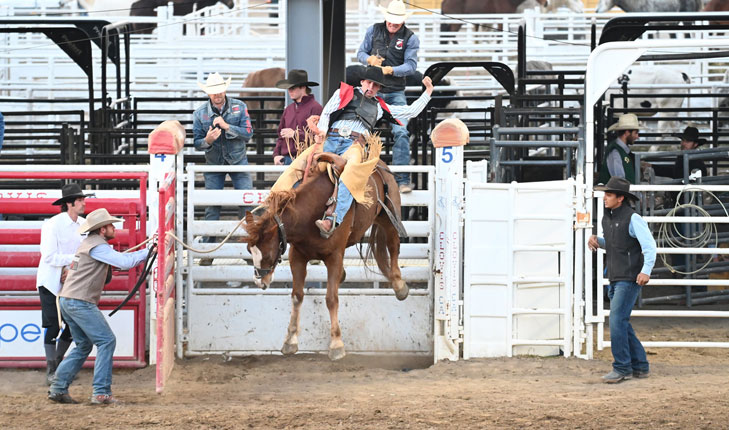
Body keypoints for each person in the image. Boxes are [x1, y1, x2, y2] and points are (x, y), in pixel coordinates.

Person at [313, 66, 433, 237]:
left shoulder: (380, 106)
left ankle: (333, 219)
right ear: (362, 81)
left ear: (379, 89)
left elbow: (410, 111)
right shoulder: (343, 92)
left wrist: (428, 92)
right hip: (330, 137)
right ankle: (282, 206)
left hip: (354, 145)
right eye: (369, 83)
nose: (371, 88)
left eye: (375, 86)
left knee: (352, 171)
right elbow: (326, 113)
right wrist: (322, 130)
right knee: (303, 165)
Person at [48, 208, 151, 404]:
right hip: (80, 301)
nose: (114, 228)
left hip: (69, 299)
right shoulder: (98, 247)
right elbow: (125, 262)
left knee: (84, 344)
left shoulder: (90, 244)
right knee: (106, 341)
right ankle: (101, 392)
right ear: (102, 230)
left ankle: (59, 387)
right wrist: (151, 250)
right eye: (111, 225)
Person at [588, 177, 656, 384]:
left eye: (609, 195)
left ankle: (622, 367)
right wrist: (598, 241)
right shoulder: (609, 218)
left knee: (617, 321)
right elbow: (617, 244)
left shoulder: (633, 218)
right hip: (618, 275)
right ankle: (640, 365)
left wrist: (646, 270)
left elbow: (649, 246)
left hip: (628, 277)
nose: (605, 198)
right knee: (622, 323)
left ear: (620, 198)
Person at [357, 0, 420, 193]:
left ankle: (402, 180)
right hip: (374, 92)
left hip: (393, 91)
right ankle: (360, 174)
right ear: (386, 18)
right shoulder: (373, 30)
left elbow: (411, 65)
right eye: (391, 21)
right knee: (359, 131)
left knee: (401, 131)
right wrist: (369, 59)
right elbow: (360, 53)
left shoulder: (410, 38)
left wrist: (392, 70)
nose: (393, 24)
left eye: (396, 22)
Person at [36, 183, 94, 385]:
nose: (83, 203)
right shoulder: (52, 225)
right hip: (52, 280)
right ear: (70, 204)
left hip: (69, 280)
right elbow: (49, 256)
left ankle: (57, 365)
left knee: (73, 323)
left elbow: (82, 253)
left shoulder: (83, 224)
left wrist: (72, 266)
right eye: (80, 200)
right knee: (53, 324)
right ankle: (53, 367)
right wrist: (73, 263)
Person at [193, 72, 253, 266]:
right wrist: (208, 141)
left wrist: (227, 127)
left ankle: (249, 247)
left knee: (246, 203)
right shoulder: (200, 113)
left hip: (233, 160)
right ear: (209, 93)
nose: (217, 94)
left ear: (224, 89)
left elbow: (248, 134)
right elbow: (196, 142)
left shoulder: (239, 106)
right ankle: (209, 250)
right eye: (213, 92)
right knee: (213, 205)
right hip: (218, 162)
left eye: (219, 90)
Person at [273, 69, 323, 165]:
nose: (290, 91)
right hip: (287, 158)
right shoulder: (288, 109)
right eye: (289, 88)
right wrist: (276, 154)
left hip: (307, 159)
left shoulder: (316, 108)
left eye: (293, 87)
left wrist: (295, 134)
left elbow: (320, 136)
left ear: (303, 87)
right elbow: (280, 135)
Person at [598, 113, 641, 184]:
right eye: (636, 133)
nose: (637, 136)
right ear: (627, 133)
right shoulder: (615, 152)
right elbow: (619, 181)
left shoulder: (619, 150)